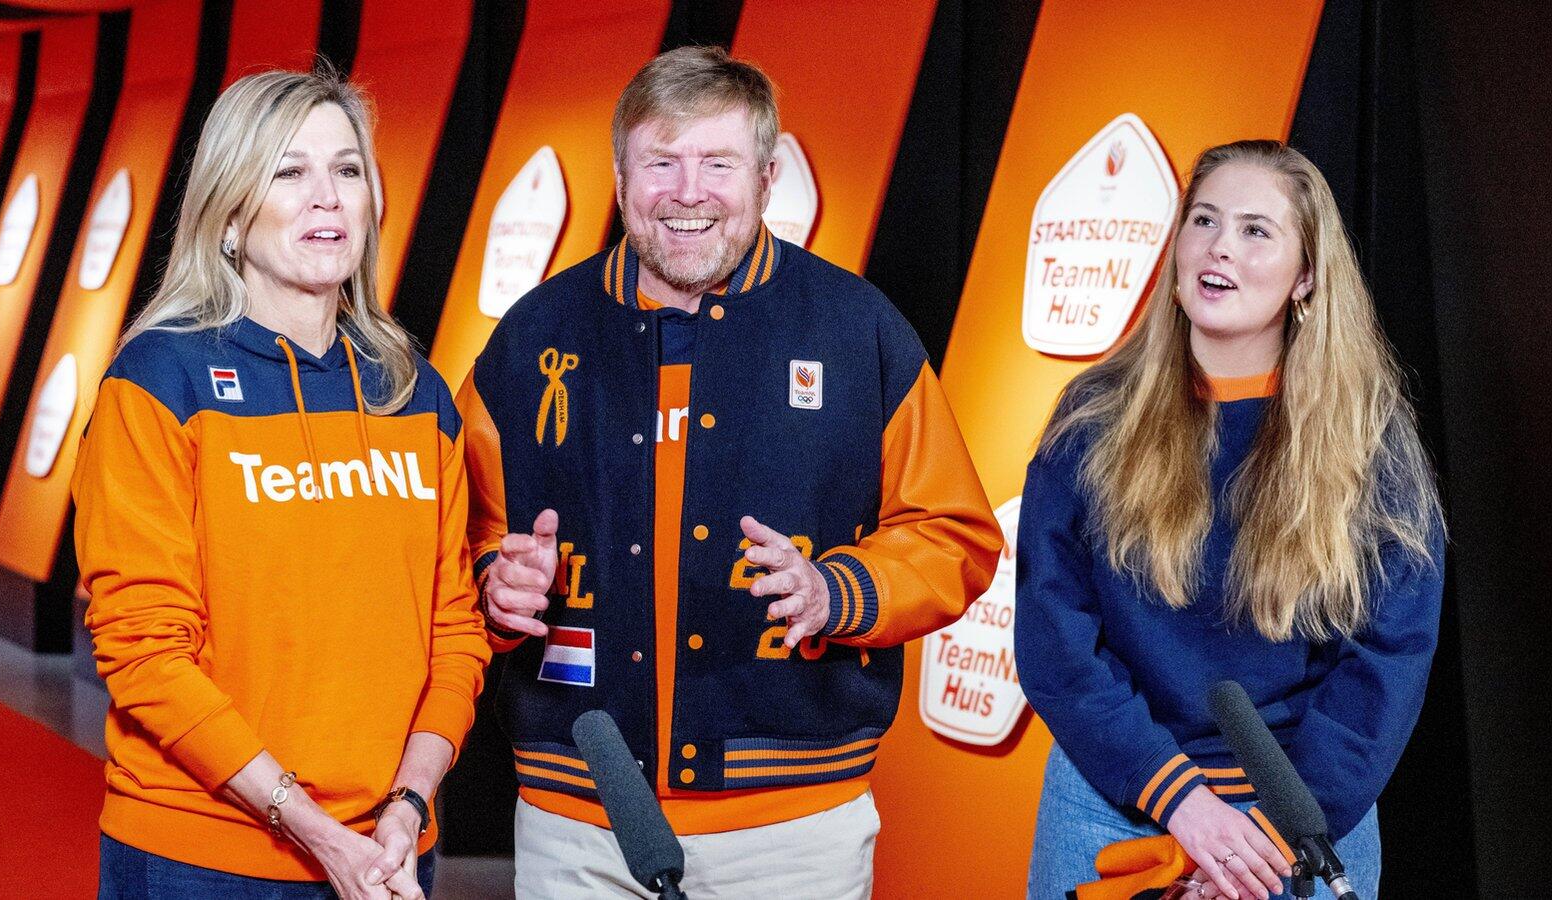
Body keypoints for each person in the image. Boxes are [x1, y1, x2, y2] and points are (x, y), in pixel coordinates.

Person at [457, 46, 1003, 898]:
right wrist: (497, 579)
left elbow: (953, 535)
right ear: (619, 178)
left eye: (718, 163)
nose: (688, 192)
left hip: (794, 836)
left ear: (767, 176)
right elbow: (455, 534)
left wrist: (837, 592)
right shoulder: (533, 336)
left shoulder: (856, 329)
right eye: (660, 163)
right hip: (575, 823)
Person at [72, 69, 490, 899]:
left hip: (388, 851)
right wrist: (315, 830)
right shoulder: (159, 381)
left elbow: (454, 632)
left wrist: (407, 805)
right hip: (202, 860)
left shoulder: (413, 391)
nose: (326, 196)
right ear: (229, 214)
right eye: (289, 171)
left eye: (347, 170)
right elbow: (145, 648)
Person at [1013, 140, 1445, 900]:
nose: (1219, 247)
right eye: (1204, 220)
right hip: (1113, 803)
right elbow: (1055, 637)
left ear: (1306, 276)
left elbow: (1388, 660)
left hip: (1303, 816)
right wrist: (1178, 798)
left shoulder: (1370, 438)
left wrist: (1273, 841)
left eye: (1255, 230)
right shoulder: (1092, 417)